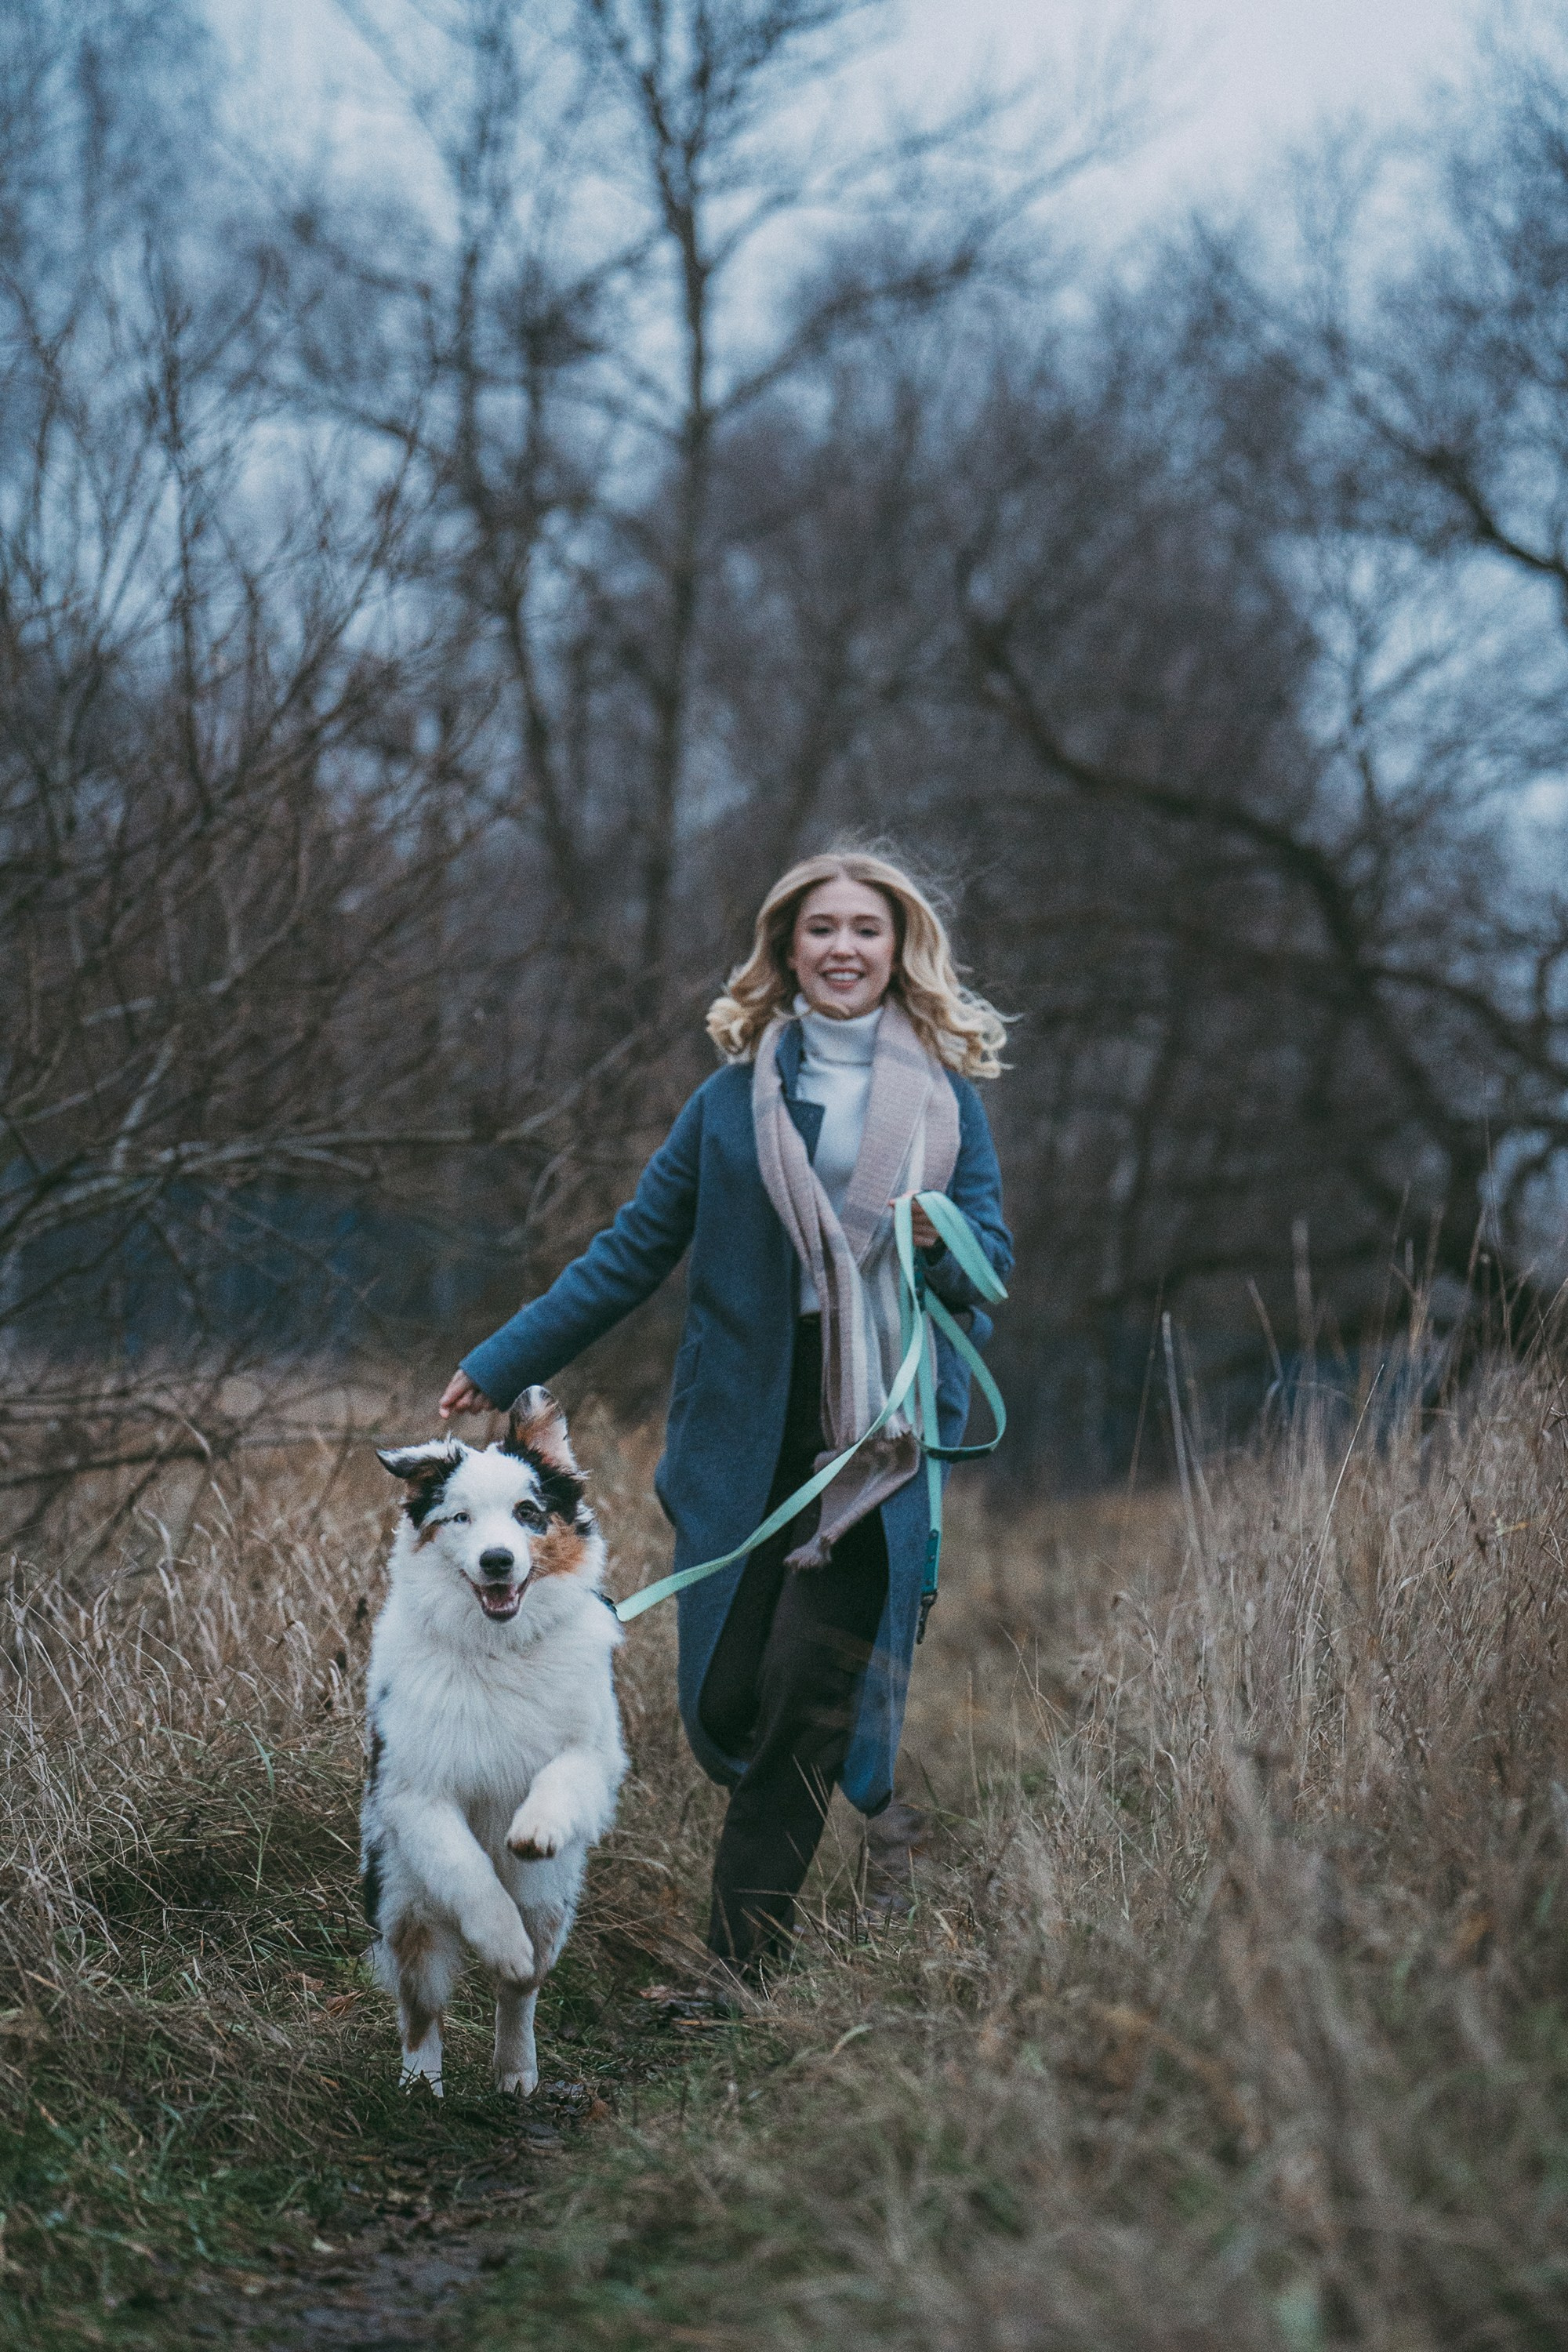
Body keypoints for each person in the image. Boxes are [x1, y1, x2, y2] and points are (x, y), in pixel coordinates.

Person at [438, 849, 1011, 1974]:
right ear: (786, 951)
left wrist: (940, 1240)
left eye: (867, 930)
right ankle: (815, 1840)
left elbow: (991, 1262)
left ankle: (735, 1967)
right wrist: (506, 1361)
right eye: (820, 929)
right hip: (748, 1428)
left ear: (900, 953)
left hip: (880, 1438)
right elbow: (631, 1252)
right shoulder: (727, 1105)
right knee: (733, 1695)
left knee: (806, 1690)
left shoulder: (947, 1102)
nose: (843, 948)